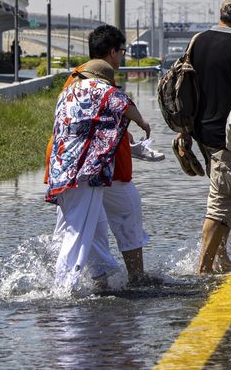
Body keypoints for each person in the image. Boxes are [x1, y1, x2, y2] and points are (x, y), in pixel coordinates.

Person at [46, 25, 153, 290]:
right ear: (113, 52)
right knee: (79, 230)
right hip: (85, 172)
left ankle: (101, 280)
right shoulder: (96, 86)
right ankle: (63, 288)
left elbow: (97, 121)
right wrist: (143, 124)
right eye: (122, 52)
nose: (123, 58)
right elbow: (120, 103)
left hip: (68, 172)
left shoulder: (71, 88)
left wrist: (130, 142)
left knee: (90, 228)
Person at [183, 0, 231, 274]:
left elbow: (185, 86)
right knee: (222, 202)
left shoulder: (197, 41)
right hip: (226, 137)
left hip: (200, 131)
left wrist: (184, 130)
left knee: (226, 197)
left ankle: (221, 257)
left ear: (221, 12)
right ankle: (204, 267)